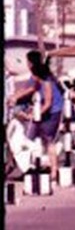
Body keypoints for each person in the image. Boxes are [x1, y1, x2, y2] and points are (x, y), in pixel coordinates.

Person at [6, 50, 65, 178]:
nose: (26, 63)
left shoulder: (46, 78)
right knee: (30, 137)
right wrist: (14, 97)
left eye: (27, 61)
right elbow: (29, 88)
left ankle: (54, 171)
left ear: (31, 63)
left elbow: (49, 103)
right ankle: (26, 166)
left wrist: (35, 114)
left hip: (54, 110)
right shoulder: (35, 74)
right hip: (42, 107)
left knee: (48, 140)